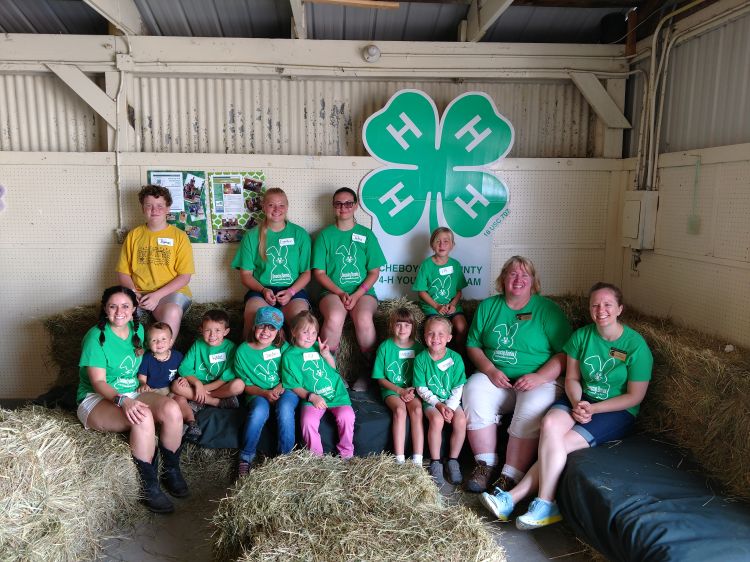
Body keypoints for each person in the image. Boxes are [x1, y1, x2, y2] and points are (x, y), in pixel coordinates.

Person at [481, 282, 653, 529]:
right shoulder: (581, 336)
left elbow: (635, 397)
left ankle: (525, 499)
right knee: (549, 423)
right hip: (582, 399)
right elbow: (572, 378)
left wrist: (593, 409)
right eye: (595, 304)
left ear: (619, 309)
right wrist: (577, 402)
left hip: (616, 409)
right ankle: (538, 503)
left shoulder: (636, 346)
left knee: (559, 444)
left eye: (607, 305)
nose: (600, 309)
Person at [462, 256, 572, 493]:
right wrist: (490, 370)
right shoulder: (488, 307)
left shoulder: (548, 310)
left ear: (533, 281)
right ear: (503, 279)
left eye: (524, 275)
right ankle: (484, 465)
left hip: (538, 379)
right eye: (512, 274)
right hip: (496, 377)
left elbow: (566, 353)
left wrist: (541, 377)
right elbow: (473, 345)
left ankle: (510, 476)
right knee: (473, 391)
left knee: (532, 407)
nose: (518, 279)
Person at [76, 286, 188, 514]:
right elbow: (98, 383)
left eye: (126, 306)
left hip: (133, 391)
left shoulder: (137, 330)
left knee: (172, 409)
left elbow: (152, 359)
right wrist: (123, 402)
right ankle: (149, 486)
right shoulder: (95, 337)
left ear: (134, 308)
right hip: (97, 398)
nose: (120, 311)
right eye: (113, 306)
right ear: (104, 309)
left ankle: (171, 470)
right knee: (142, 416)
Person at [312, 187, 387, 391]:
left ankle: (369, 370)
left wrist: (356, 293)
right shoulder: (325, 236)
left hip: (363, 293)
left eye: (347, 203)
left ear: (355, 205)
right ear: (333, 207)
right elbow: (319, 273)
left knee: (363, 318)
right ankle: (330, 371)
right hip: (332, 292)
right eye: (338, 203)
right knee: (335, 316)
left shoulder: (366, 235)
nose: (343, 207)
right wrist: (340, 292)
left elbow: (374, 271)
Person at [117, 184, 195, 341]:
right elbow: (123, 272)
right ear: (142, 208)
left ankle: (162, 357)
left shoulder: (179, 237)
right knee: (118, 312)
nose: (155, 210)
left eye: (160, 206)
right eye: (149, 205)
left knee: (172, 312)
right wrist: (134, 293)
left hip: (170, 294)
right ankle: (130, 358)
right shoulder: (134, 235)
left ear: (168, 209)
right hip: (139, 294)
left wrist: (156, 296)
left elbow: (184, 276)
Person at [231, 188, 312, 339]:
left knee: (302, 321)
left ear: (287, 207)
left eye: (281, 205)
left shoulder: (299, 234)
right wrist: (263, 290)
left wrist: (291, 292)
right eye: (271, 205)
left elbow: (306, 273)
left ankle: (294, 360)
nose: (276, 209)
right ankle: (247, 356)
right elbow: (246, 275)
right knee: (254, 317)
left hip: (292, 291)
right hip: (261, 292)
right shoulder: (252, 236)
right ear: (263, 207)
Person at [232, 306, 299, 476]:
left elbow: (293, 373)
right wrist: (264, 393)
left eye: (271, 327)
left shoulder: (283, 348)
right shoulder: (242, 351)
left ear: (278, 331)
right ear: (254, 326)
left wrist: (281, 386)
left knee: (284, 409)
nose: (265, 331)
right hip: (258, 392)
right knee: (258, 412)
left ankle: (286, 458)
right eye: (262, 326)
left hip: (285, 388)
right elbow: (245, 385)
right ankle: (246, 457)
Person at [281, 311, 355, 458]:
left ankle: (346, 453)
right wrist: (311, 396)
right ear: (293, 332)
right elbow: (292, 384)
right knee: (307, 421)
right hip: (313, 397)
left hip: (335, 393)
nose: (310, 336)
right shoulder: (289, 356)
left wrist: (327, 355)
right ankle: (317, 458)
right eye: (305, 332)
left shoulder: (317, 347)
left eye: (314, 332)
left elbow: (333, 369)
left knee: (347, 416)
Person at [414, 316, 467, 486]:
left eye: (440, 334)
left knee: (460, 420)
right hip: (431, 402)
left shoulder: (456, 359)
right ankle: (435, 462)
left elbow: (458, 387)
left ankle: (452, 460)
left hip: (451, 401)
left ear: (449, 338)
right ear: (424, 336)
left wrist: (450, 407)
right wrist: (438, 405)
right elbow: (421, 388)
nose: (435, 338)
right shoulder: (421, 359)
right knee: (436, 420)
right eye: (431, 334)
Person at [372, 307, 424, 465]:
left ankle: (418, 460)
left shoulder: (419, 348)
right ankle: (399, 459)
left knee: (416, 410)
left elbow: (422, 375)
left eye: (407, 325)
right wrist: (399, 390)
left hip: (412, 389)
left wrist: (411, 390)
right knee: (400, 411)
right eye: (398, 324)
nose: (402, 329)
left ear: (413, 327)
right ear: (391, 326)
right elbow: (380, 378)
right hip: (392, 389)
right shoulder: (385, 347)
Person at [136, 322, 201, 442]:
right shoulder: (147, 358)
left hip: (172, 389)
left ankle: (191, 423)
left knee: (181, 400)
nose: (159, 343)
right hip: (154, 391)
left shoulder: (177, 356)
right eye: (154, 340)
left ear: (171, 341)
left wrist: (185, 380)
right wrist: (142, 384)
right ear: (148, 343)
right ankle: (163, 428)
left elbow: (183, 373)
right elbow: (141, 378)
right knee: (158, 408)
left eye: (163, 339)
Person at [171, 309, 244, 409]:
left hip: (220, 387)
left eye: (217, 330)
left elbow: (227, 376)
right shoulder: (198, 344)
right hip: (197, 385)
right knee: (176, 385)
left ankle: (202, 398)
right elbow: (184, 368)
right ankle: (215, 402)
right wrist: (197, 384)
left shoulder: (231, 348)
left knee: (239, 385)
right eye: (207, 330)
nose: (212, 335)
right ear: (201, 330)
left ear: (226, 331)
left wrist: (203, 389)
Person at [412, 227, 468, 353]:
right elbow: (421, 291)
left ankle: (455, 354)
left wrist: (453, 305)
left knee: (461, 327)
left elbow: (459, 290)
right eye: (438, 241)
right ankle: (435, 354)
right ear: (432, 244)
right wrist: (437, 306)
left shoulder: (455, 265)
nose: (442, 245)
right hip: (432, 307)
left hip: (452, 307)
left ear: (452, 245)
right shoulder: (426, 265)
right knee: (436, 330)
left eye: (446, 241)